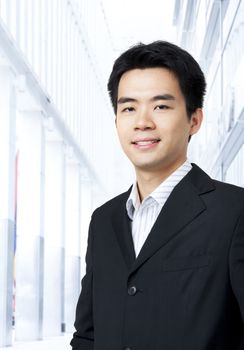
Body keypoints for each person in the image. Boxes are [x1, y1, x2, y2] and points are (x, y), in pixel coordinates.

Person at [71, 41, 244, 350]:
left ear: (194, 120)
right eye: (128, 108)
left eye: (161, 106)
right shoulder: (104, 220)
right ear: (116, 122)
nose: (142, 122)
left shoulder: (234, 211)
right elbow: (88, 335)